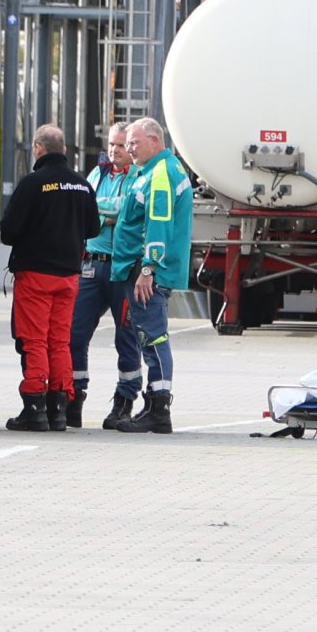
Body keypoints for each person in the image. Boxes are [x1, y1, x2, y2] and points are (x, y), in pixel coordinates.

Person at [0, 124, 98, 432]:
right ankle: (59, 408)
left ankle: (34, 405)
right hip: (69, 276)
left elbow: (10, 231)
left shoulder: (32, 183)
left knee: (34, 340)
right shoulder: (82, 185)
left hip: (36, 275)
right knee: (60, 341)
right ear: (64, 150)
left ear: (38, 148)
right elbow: (93, 229)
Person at [110, 117, 193, 435]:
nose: (129, 149)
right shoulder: (153, 172)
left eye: (134, 142)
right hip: (145, 270)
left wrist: (148, 268)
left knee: (152, 337)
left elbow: (158, 225)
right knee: (149, 337)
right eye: (127, 143)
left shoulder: (159, 174)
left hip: (148, 273)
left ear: (155, 141)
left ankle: (159, 408)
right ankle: (154, 405)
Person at [68, 123, 139, 428]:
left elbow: (129, 210)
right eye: (111, 144)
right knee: (74, 335)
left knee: (126, 338)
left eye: (121, 145)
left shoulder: (138, 176)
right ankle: (73, 395)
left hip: (123, 269)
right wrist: (110, 214)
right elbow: (85, 208)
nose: (115, 150)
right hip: (91, 266)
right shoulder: (96, 174)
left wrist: (106, 213)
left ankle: (124, 401)